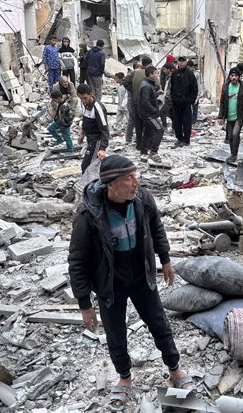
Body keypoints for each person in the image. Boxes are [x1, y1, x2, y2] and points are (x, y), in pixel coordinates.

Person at [68, 155, 193, 411]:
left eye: (136, 175)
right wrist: (84, 304)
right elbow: (77, 261)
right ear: (111, 184)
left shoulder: (143, 199)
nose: (137, 182)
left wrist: (165, 258)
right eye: (129, 178)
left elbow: (156, 227)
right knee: (116, 334)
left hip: (140, 275)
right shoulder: (88, 215)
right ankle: (124, 376)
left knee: (159, 323)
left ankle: (175, 368)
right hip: (109, 284)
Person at [218, 68, 243, 163]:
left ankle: (234, 155)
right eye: (232, 76)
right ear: (229, 76)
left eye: (236, 76)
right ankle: (232, 153)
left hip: (239, 116)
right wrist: (221, 117)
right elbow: (222, 103)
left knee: (235, 133)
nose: (234, 78)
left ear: (238, 77)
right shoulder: (225, 87)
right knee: (230, 136)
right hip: (229, 116)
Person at [76, 83, 110, 173]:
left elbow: (105, 130)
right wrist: (82, 133)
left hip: (97, 140)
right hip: (90, 138)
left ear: (91, 94)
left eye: (85, 98)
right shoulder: (84, 104)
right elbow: (85, 119)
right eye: (81, 98)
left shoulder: (98, 108)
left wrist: (103, 148)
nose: (83, 101)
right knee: (94, 164)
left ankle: (87, 185)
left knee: (86, 166)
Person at [138, 66, 164, 163]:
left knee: (148, 132)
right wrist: (154, 110)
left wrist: (157, 94)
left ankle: (144, 151)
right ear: (151, 75)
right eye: (156, 73)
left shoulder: (148, 84)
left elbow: (149, 97)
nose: (157, 75)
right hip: (149, 115)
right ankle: (153, 152)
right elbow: (145, 102)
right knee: (160, 129)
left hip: (147, 114)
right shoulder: (146, 86)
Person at [170, 56, 198, 146]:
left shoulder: (190, 74)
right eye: (180, 61)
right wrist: (173, 98)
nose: (181, 63)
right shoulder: (174, 74)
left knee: (186, 122)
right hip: (176, 102)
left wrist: (190, 100)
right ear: (177, 62)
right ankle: (179, 138)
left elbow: (194, 88)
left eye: (183, 61)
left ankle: (186, 140)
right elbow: (172, 87)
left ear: (186, 62)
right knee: (177, 121)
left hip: (186, 103)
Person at [159, 63, 175, 128]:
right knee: (171, 114)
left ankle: (164, 126)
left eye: (165, 69)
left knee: (162, 112)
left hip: (170, 99)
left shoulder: (172, 78)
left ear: (169, 69)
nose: (164, 71)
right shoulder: (168, 77)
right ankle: (175, 126)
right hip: (168, 98)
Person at [188, 60, 203, 125]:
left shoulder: (196, 74)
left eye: (189, 68)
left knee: (194, 108)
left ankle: (193, 122)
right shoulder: (189, 73)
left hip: (195, 94)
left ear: (192, 67)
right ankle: (191, 121)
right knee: (190, 109)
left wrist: (198, 95)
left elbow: (198, 85)